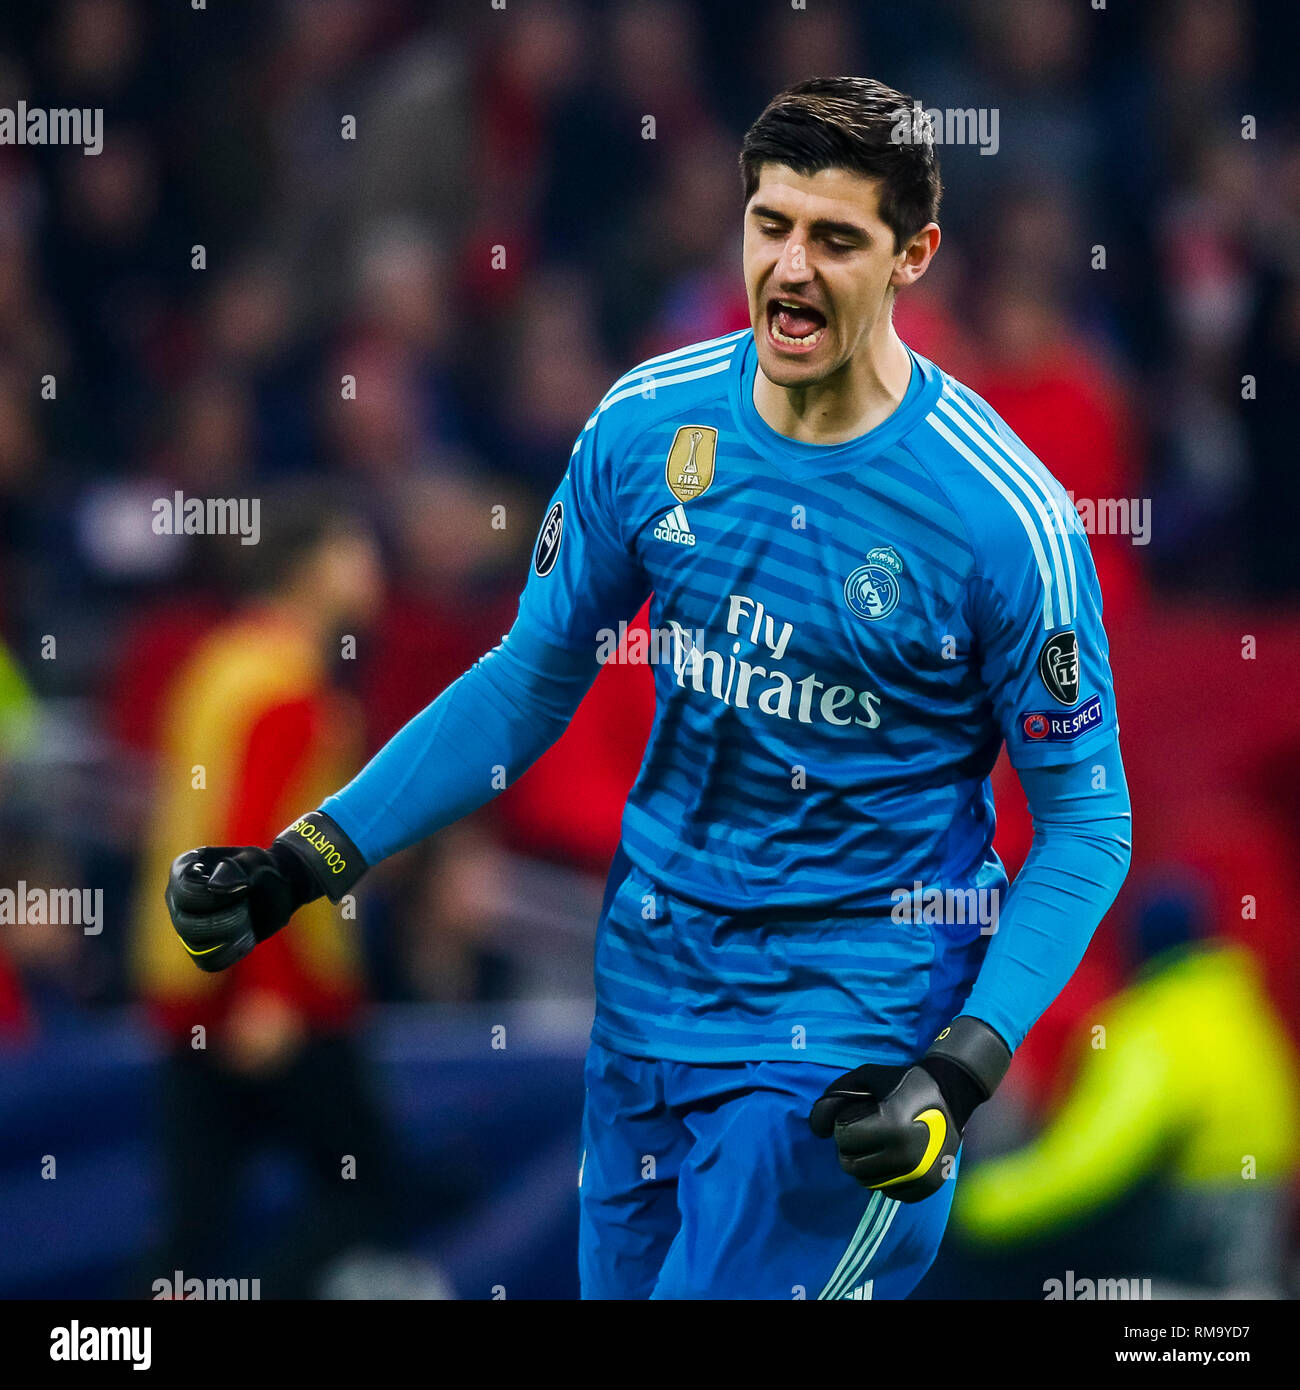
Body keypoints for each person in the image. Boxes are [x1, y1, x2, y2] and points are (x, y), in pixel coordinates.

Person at [164, 77, 1131, 1300]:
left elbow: (1088, 822)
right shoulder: (645, 428)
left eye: (835, 239)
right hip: (648, 1007)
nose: (790, 268)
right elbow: (527, 682)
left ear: (913, 255)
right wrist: (312, 856)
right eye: (770, 224)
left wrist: (959, 1064)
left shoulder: (1003, 521)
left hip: (849, 1039)